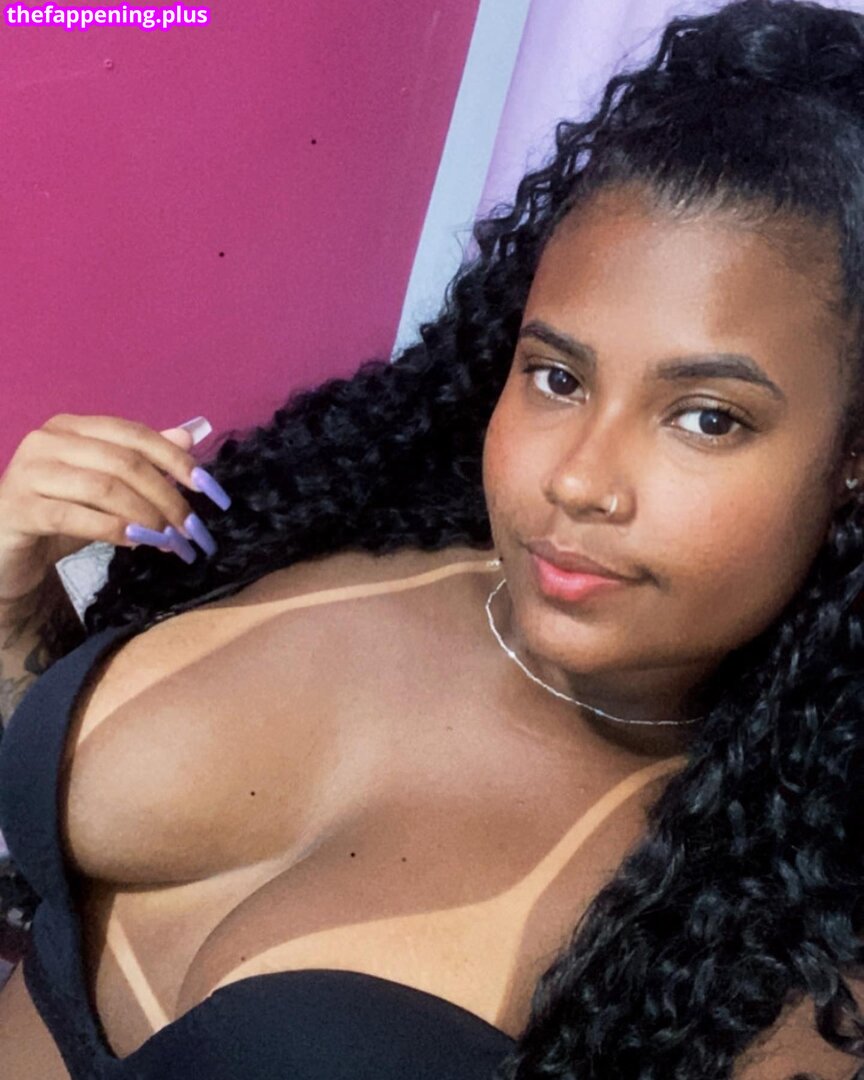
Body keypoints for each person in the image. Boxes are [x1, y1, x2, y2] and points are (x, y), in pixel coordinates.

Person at [3, 0, 864, 1075]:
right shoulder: (334, 529)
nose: (577, 479)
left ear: (852, 457)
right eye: (558, 377)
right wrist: (13, 599)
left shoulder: (787, 938)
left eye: (707, 418)